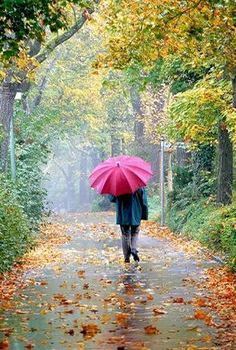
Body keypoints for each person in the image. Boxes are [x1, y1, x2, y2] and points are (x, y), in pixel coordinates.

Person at [109, 188, 148, 263]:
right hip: (136, 212)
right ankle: (133, 249)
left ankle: (126, 258)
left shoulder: (117, 185)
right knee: (135, 232)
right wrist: (144, 214)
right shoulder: (139, 184)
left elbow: (112, 198)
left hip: (123, 213)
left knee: (125, 234)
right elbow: (144, 201)